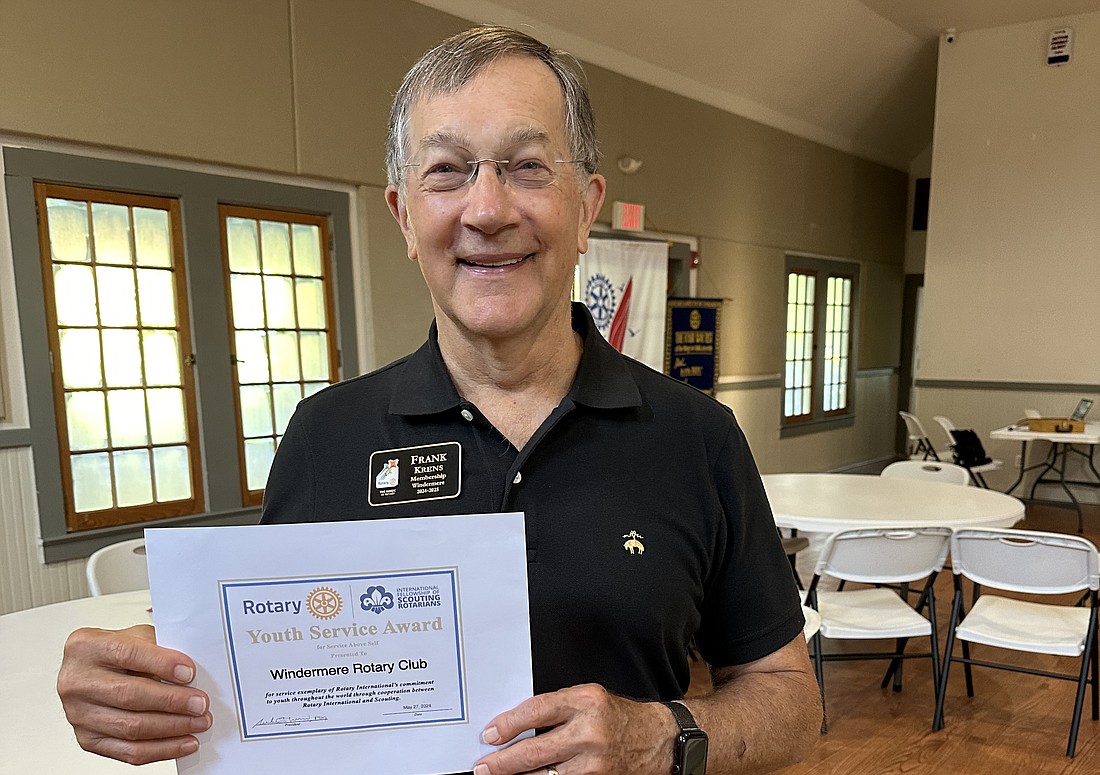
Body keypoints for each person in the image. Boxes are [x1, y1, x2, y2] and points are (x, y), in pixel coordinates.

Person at [57, 25, 821, 774]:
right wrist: (144, 683)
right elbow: (270, 648)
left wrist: (660, 735)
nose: (486, 210)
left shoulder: (698, 436)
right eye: (448, 170)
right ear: (404, 217)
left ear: (588, 207)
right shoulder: (326, 435)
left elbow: (790, 698)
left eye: (526, 165)